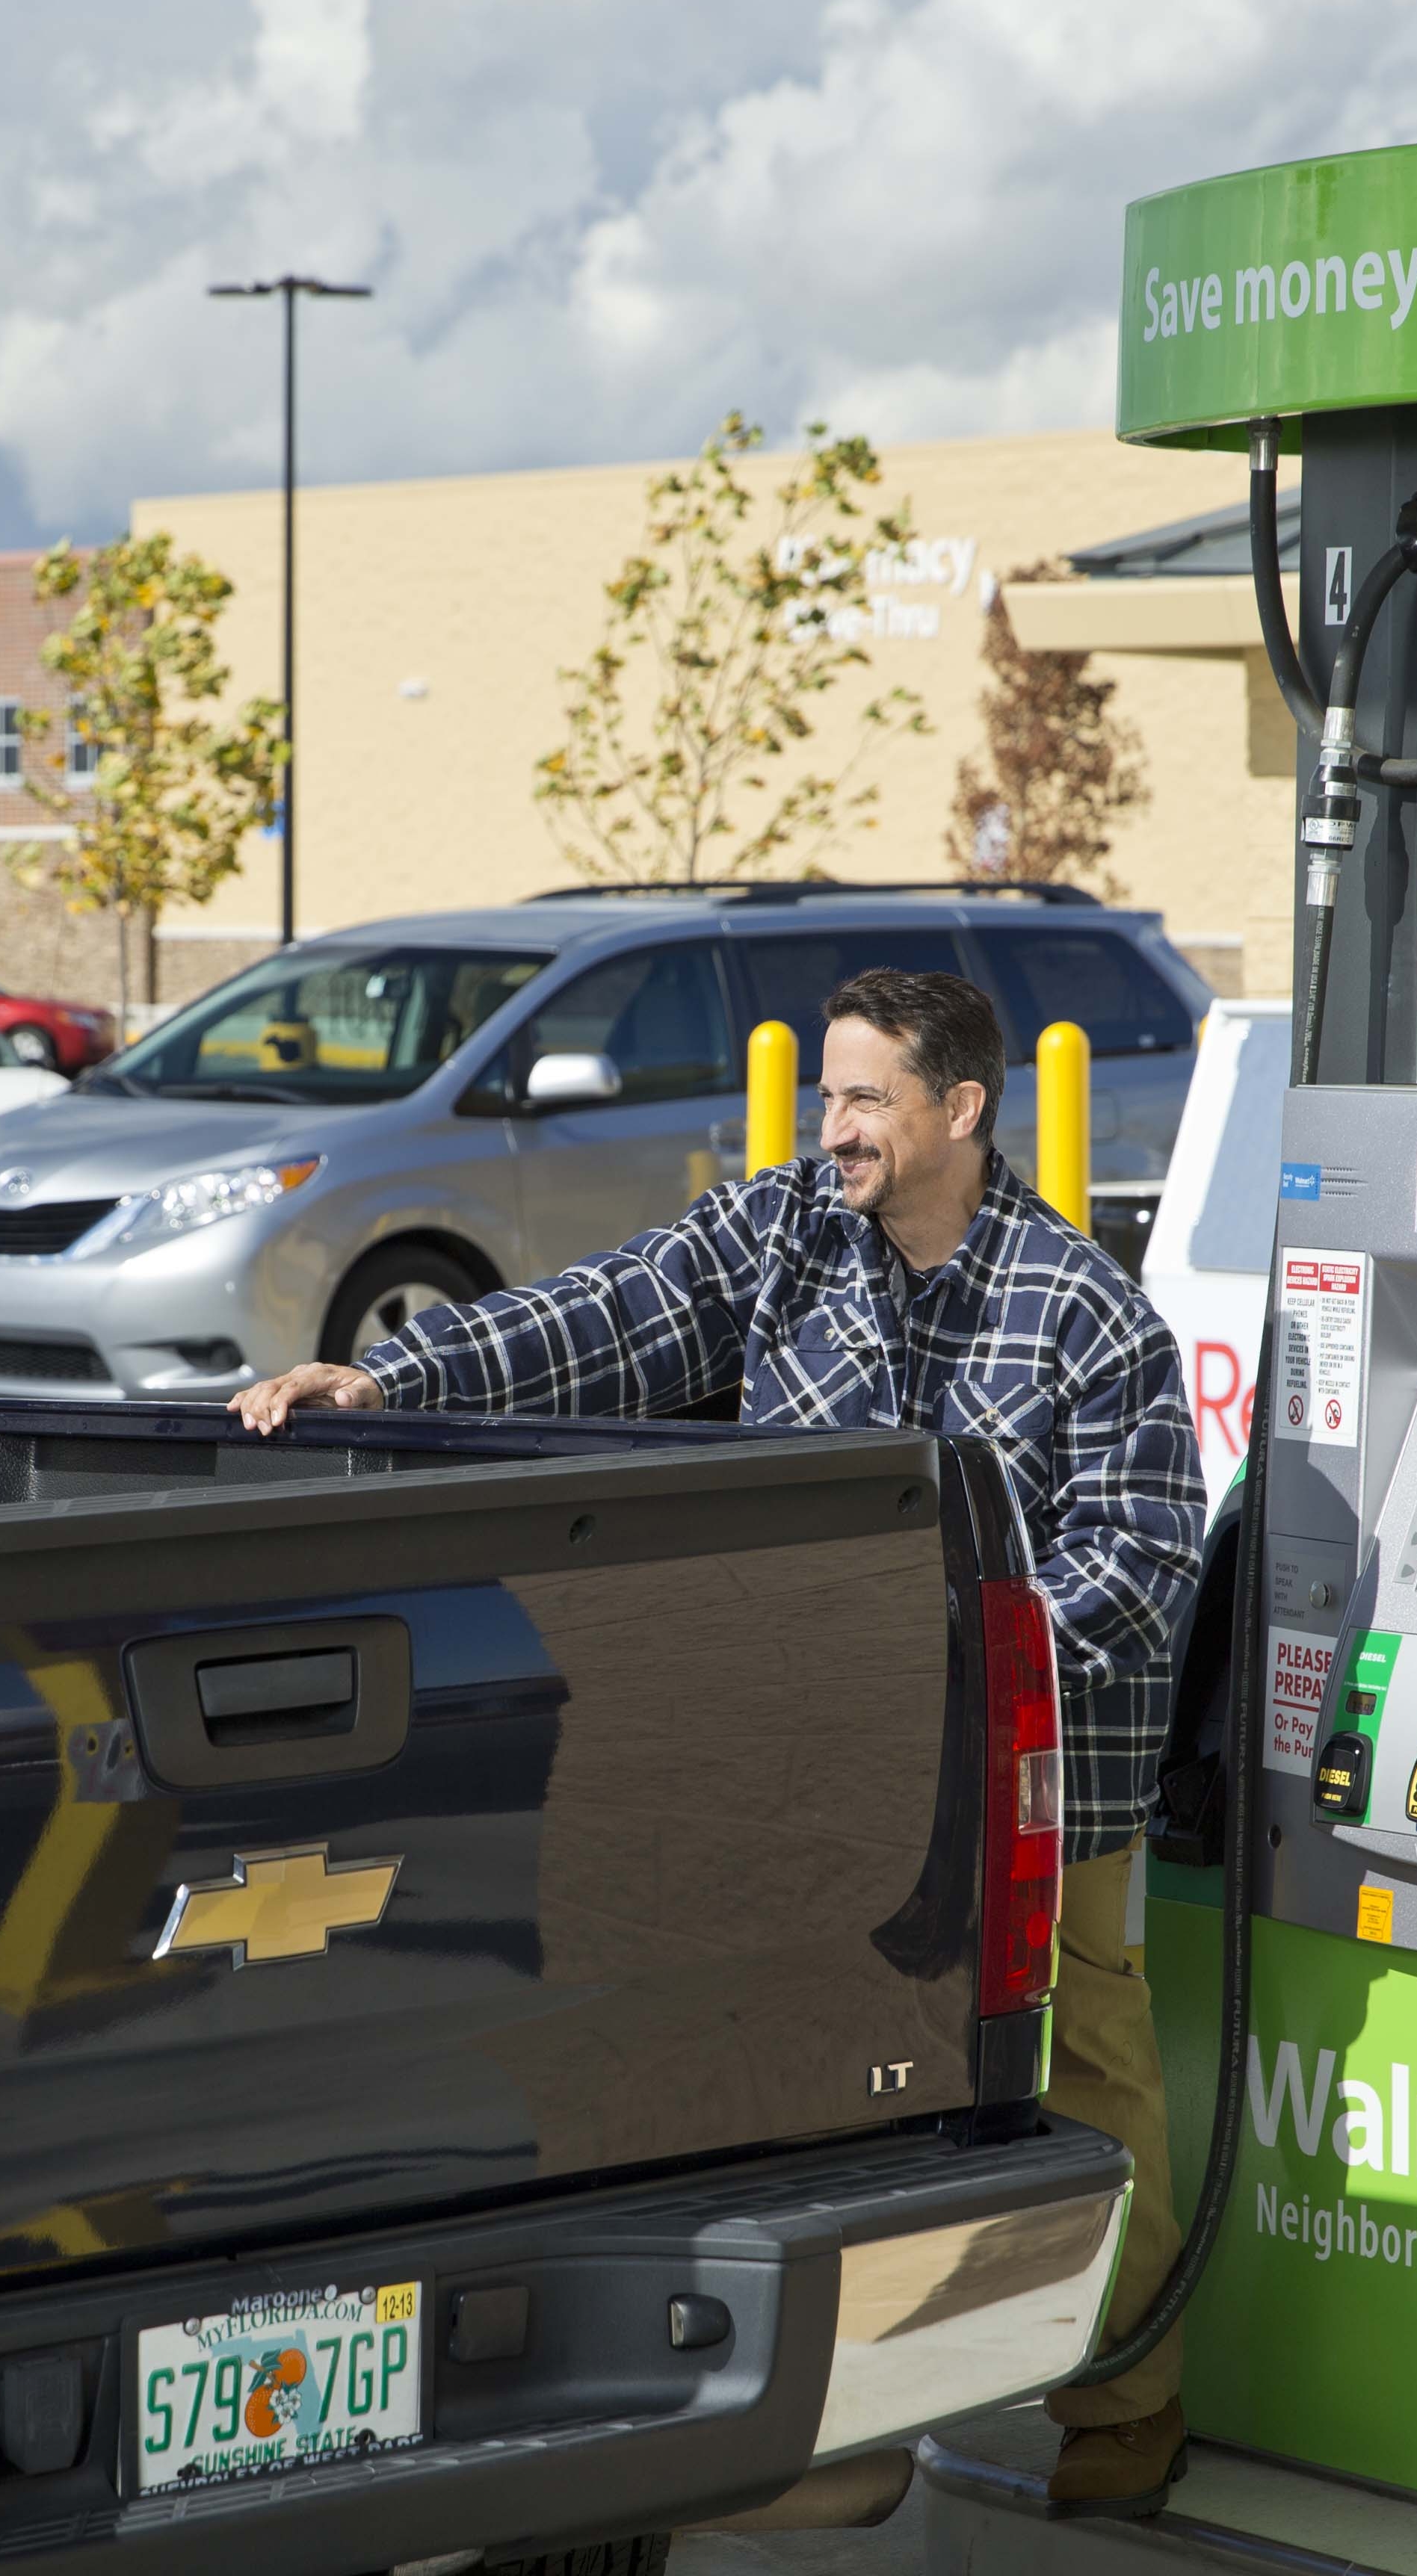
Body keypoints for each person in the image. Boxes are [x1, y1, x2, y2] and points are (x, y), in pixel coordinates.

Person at [235, 967, 1205, 2514]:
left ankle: (1123, 2409)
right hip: (822, 1776)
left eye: (867, 1098)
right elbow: (604, 1315)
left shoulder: (1090, 1319)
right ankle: (831, 2413)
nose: (834, 1129)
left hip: (1040, 1790)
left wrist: (954, 1671)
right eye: (825, 1094)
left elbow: (1143, 1568)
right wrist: (392, 1377)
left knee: (1085, 2077)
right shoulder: (782, 1237)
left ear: (961, 1111)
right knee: (818, 2083)